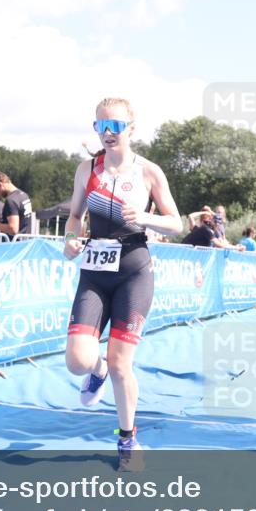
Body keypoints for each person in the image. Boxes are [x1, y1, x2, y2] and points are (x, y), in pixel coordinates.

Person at [62, 97, 182, 471]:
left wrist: (145, 218)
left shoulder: (149, 172)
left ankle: (128, 439)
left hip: (134, 272)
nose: (108, 133)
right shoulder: (86, 170)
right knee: (78, 361)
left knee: (119, 364)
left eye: (115, 126)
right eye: (101, 126)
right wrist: (70, 239)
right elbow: (74, 216)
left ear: (131, 128)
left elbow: (176, 223)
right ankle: (95, 373)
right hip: (94, 273)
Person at [0, 172, 32, 240]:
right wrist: (1, 219)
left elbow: (13, 229)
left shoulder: (11, 200)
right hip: (24, 242)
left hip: (13, 244)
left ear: (0, 185)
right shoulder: (24, 195)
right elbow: (21, 219)